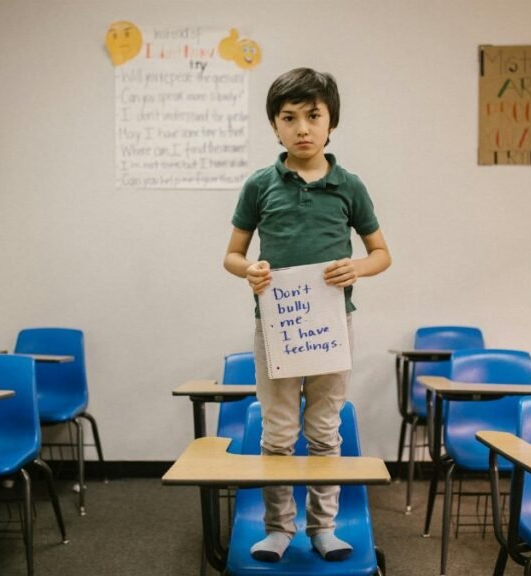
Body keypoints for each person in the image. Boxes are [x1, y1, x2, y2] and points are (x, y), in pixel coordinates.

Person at [223, 67, 391, 563]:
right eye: (289, 117)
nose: (302, 128)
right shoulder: (260, 185)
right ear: (274, 125)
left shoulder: (349, 186)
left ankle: (324, 527)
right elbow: (231, 255)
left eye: (313, 116)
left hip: (331, 326)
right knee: (277, 430)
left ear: (330, 122)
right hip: (275, 325)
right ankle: (278, 527)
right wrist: (248, 269)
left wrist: (355, 268)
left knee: (323, 429)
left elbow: (382, 253)